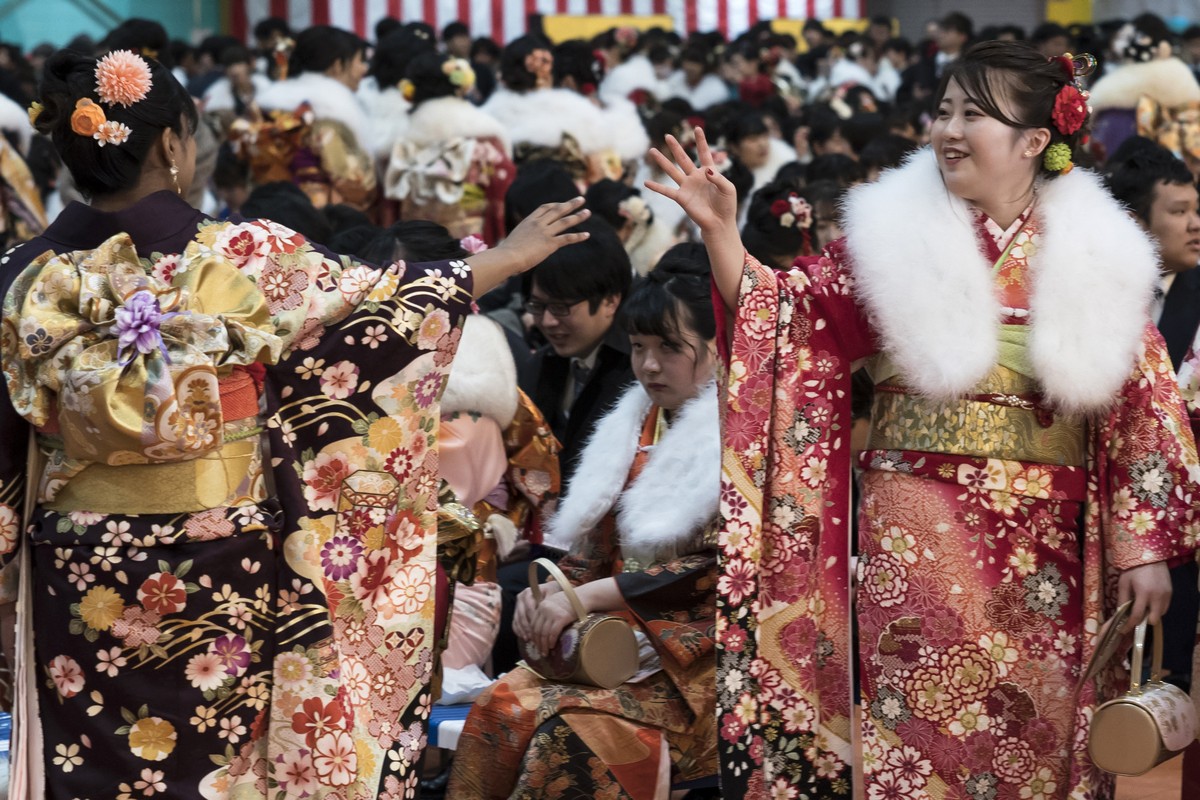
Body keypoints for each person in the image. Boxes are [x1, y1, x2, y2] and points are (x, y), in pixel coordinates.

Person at [0, 48, 590, 799]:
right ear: (176, 145)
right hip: (224, 566)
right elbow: (382, 310)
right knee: (222, 770)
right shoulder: (248, 256)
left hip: (75, 567)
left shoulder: (23, 273)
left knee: (96, 765)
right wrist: (506, 257)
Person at [647, 40, 1198, 797]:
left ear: (1036, 140)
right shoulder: (893, 238)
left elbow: (1144, 404)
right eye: (942, 111)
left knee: (1034, 744)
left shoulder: (1093, 249)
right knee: (914, 743)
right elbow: (788, 320)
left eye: (974, 113)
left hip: (1044, 556)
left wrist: (1143, 546)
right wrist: (721, 236)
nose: (948, 129)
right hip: (914, 542)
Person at [448, 245, 720, 799]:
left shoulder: (739, 439)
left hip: (695, 661)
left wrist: (594, 597)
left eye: (670, 348)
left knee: (566, 735)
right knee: (498, 705)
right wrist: (552, 589)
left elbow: (721, 567)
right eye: (640, 347)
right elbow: (594, 546)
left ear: (720, 347)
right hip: (612, 640)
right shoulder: (635, 425)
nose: (647, 365)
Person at [384, 51, 514, 245]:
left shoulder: (398, 137)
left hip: (414, 244)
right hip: (471, 240)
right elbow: (502, 187)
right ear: (460, 85)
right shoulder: (484, 131)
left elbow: (388, 204)